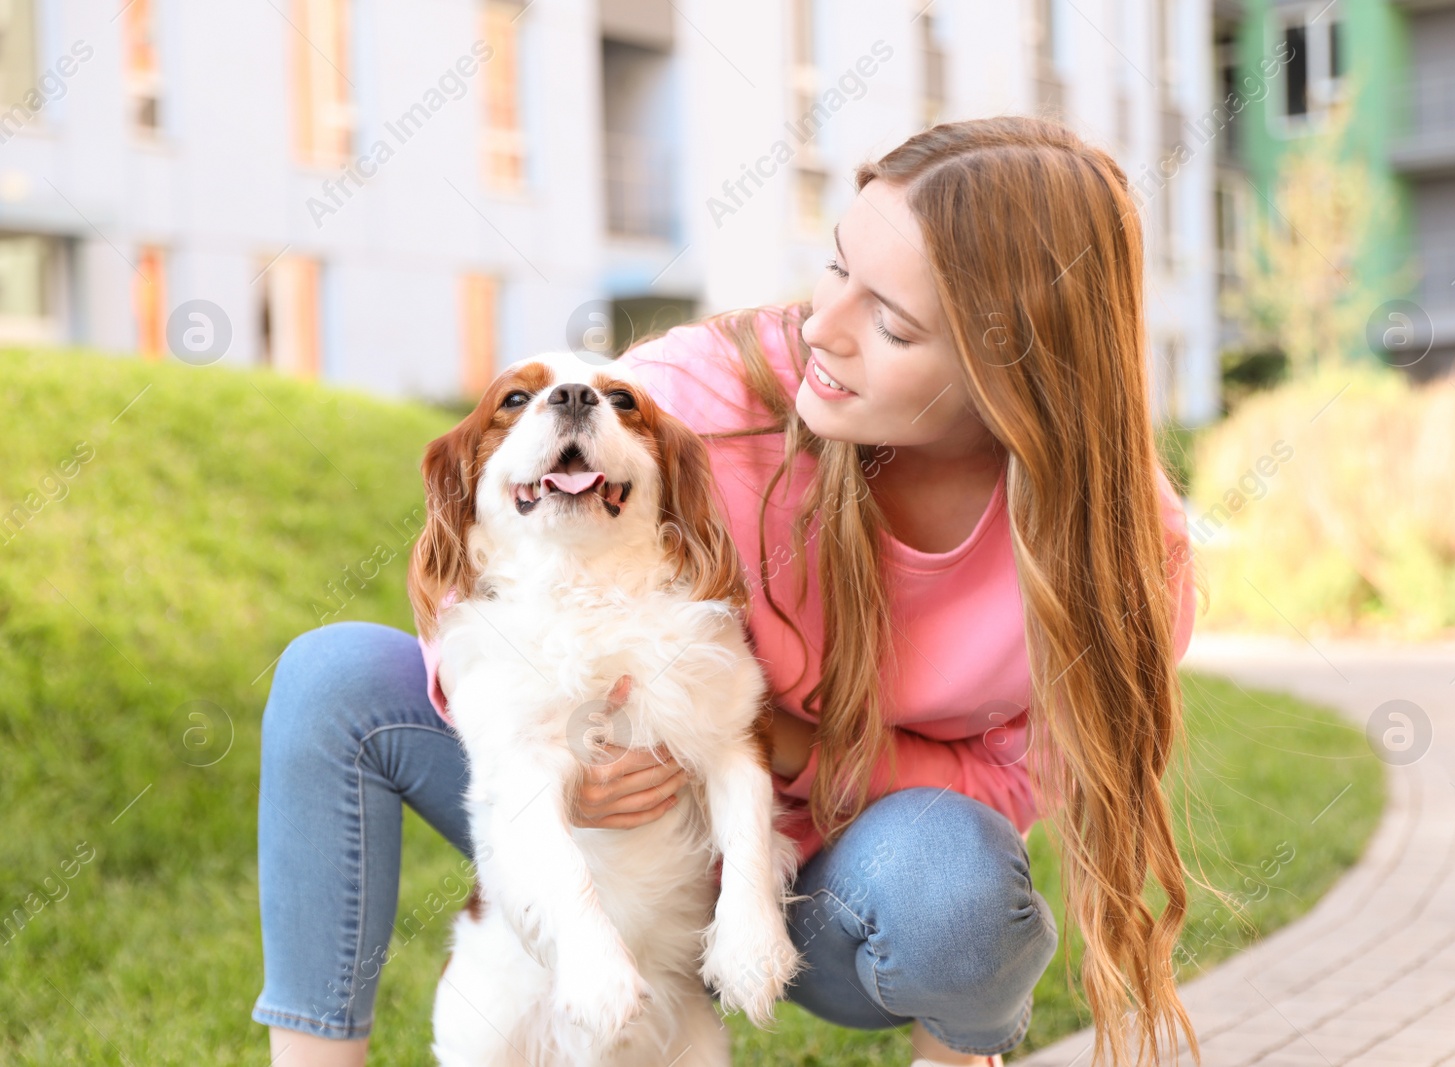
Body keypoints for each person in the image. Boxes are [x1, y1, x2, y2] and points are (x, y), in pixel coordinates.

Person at [253, 115, 1201, 1067]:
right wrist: (558, 758)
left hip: (828, 880)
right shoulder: (706, 391)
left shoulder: (1120, 553)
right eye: (837, 268)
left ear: (1014, 372)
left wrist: (781, 745)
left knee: (956, 883)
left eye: (892, 321)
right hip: (603, 835)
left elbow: (1013, 786)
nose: (820, 327)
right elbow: (505, 533)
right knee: (332, 678)